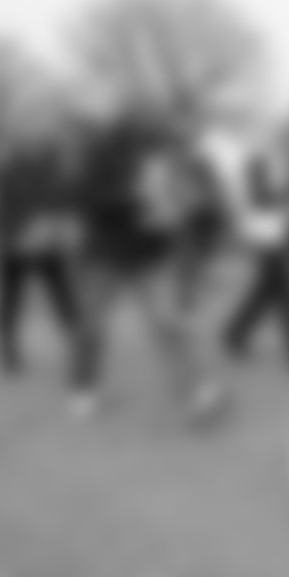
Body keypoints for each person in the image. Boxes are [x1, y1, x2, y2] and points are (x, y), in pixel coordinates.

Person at [74, 115, 227, 424]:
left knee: (167, 323)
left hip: (151, 255)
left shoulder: (170, 162)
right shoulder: (101, 155)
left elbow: (184, 203)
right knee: (93, 325)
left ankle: (195, 391)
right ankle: (84, 388)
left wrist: (186, 209)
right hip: (105, 253)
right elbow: (86, 198)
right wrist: (136, 202)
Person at [0, 145, 94, 392]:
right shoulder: (12, 171)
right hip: (16, 243)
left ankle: (76, 345)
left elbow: (64, 204)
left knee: (58, 296)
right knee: (16, 298)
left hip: (42, 242)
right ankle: (9, 350)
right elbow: (3, 209)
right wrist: (21, 231)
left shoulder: (50, 172)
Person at [220, 149, 289, 376]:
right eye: (265, 169)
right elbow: (278, 208)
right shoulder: (260, 190)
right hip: (272, 251)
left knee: (263, 297)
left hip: (270, 250)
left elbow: (283, 203)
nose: (270, 172)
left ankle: (234, 334)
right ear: (259, 172)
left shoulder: (262, 190)